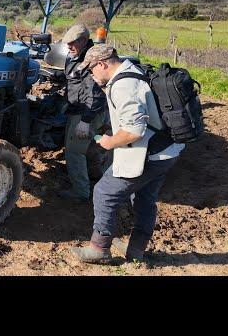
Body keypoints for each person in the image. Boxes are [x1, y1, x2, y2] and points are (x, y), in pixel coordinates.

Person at [69, 44, 184, 264]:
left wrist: (110, 141)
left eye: (92, 70)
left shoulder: (124, 85)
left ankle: (99, 249)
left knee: (104, 192)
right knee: (144, 198)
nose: (92, 76)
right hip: (167, 149)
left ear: (102, 64)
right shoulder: (131, 70)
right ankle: (136, 250)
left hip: (151, 153)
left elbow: (134, 130)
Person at [60, 24, 108, 202]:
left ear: (83, 41)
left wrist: (85, 121)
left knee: (74, 151)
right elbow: (72, 78)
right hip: (76, 108)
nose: (69, 47)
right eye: (67, 43)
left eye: (72, 43)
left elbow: (96, 94)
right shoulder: (73, 56)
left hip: (87, 112)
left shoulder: (92, 61)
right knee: (85, 147)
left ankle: (81, 192)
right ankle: (91, 175)